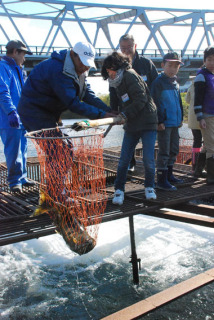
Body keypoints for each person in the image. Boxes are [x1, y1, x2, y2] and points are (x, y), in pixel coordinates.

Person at [18, 41, 115, 131]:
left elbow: (87, 94)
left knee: (61, 147)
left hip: (50, 111)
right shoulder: (58, 69)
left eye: (88, 64)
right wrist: (102, 114)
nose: (85, 67)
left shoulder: (80, 69)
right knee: (59, 148)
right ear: (73, 54)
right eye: (82, 62)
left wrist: (108, 110)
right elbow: (73, 103)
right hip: (33, 112)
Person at [101, 52, 158, 204]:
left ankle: (149, 187)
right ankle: (119, 189)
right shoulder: (113, 80)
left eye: (110, 70)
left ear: (116, 66)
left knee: (148, 159)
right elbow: (114, 99)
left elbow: (142, 99)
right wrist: (114, 114)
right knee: (124, 159)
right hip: (132, 122)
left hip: (147, 122)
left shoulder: (130, 75)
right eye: (107, 71)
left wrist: (124, 115)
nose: (109, 73)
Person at [110, 34, 158, 172]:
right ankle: (131, 164)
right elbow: (113, 90)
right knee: (129, 141)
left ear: (135, 46)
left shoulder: (146, 64)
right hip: (128, 111)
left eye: (129, 47)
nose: (126, 51)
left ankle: (150, 177)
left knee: (148, 146)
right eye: (123, 48)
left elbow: (156, 88)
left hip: (147, 112)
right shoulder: (116, 66)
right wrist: (114, 110)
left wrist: (158, 112)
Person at [0, 39, 35, 193]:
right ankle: (14, 182)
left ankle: (22, 177)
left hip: (21, 118)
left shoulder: (18, 69)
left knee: (23, 148)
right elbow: (3, 91)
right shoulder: (3, 67)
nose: (25, 58)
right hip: (9, 119)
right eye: (23, 54)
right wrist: (11, 112)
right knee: (13, 150)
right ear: (15, 52)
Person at [151, 52, 183, 191]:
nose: (172, 69)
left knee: (174, 149)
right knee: (164, 150)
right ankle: (161, 180)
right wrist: (159, 121)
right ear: (163, 65)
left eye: (176, 66)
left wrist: (181, 118)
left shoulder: (175, 83)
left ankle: (170, 175)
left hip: (175, 122)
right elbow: (155, 103)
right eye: (169, 65)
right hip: (164, 124)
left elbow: (179, 103)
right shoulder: (158, 82)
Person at [194, 45, 214, 185]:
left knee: (207, 146)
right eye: (209, 59)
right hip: (207, 115)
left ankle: (198, 170)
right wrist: (200, 117)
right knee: (212, 145)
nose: (212, 62)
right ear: (204, 60)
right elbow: (198, 99)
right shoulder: (202, 75)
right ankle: (211, 176)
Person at [185, 80, 206, 177]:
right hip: (206, 118)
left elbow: (187, 100)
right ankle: (204, 167)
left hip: (193, 118)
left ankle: (194, 167)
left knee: (196, 142)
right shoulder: (209, 82)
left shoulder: (192, 84)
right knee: (207, 143)